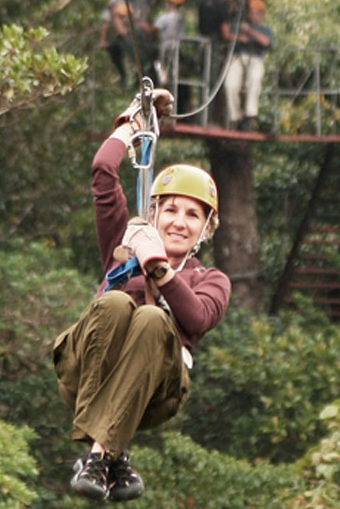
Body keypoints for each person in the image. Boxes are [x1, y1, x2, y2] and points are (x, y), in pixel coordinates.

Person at [53, 89, 231, 502]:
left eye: (192, 215)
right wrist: (131, 125)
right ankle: (112, 454)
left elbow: (198, 319)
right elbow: (103, 170)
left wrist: (160, 269)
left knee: (153, 320)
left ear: (206, 229)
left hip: (156, 392)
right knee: (116, 302)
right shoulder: (124, 241)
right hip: (86, 372)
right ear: (153, 213)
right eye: (169, 210)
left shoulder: (212, 279)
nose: (178, 223)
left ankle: (99, 454)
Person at [222, 0, 273, 131]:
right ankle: (235, 117)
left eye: (256, 12)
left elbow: (266, 42)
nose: (253, 15)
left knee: (254, 80)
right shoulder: (237, 24)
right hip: (238, 56)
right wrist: (240, 36)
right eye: (251, 11)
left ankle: (249, 116)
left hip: (255, 58)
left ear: (261, 15)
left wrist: (250, 31)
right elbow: (227, 35)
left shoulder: (264, 29)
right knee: (230, 83)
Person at [100, 0, 154, 87]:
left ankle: (142, 74)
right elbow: (107, 21)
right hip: (124, 36)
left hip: (140, 35)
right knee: (116, 50)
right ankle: (124, 75)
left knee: (142, 56)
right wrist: (103, 40)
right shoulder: (116, 2)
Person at [148, 0, 186, 93]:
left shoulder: (165, 17)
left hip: (167, 51)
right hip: (178, 51)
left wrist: (138, 21)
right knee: (175, 77)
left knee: (163, 77)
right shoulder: (180, 17)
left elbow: (151, 30)